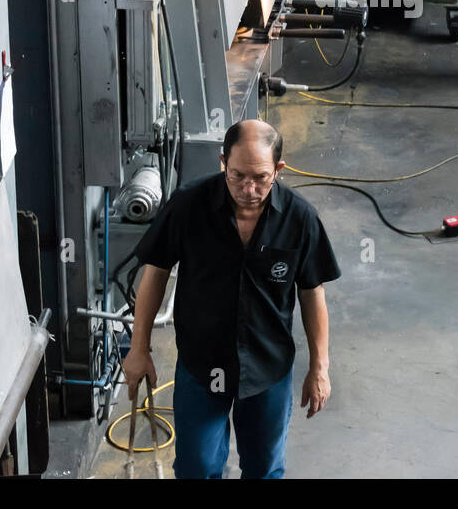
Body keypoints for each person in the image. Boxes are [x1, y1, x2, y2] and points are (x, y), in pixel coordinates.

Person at [120, 119, 340, 479]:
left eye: (260, 178)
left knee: (264, 468)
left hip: (267, 367)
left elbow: (312, 293)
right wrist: (139, 348)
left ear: (278, 170)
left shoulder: (301, 219)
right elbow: (155, 273)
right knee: (197, 467)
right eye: (237, 176)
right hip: (202, 365)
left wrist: (320, 367)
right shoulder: (189, 206)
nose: (248, 188)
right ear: (223, 161)